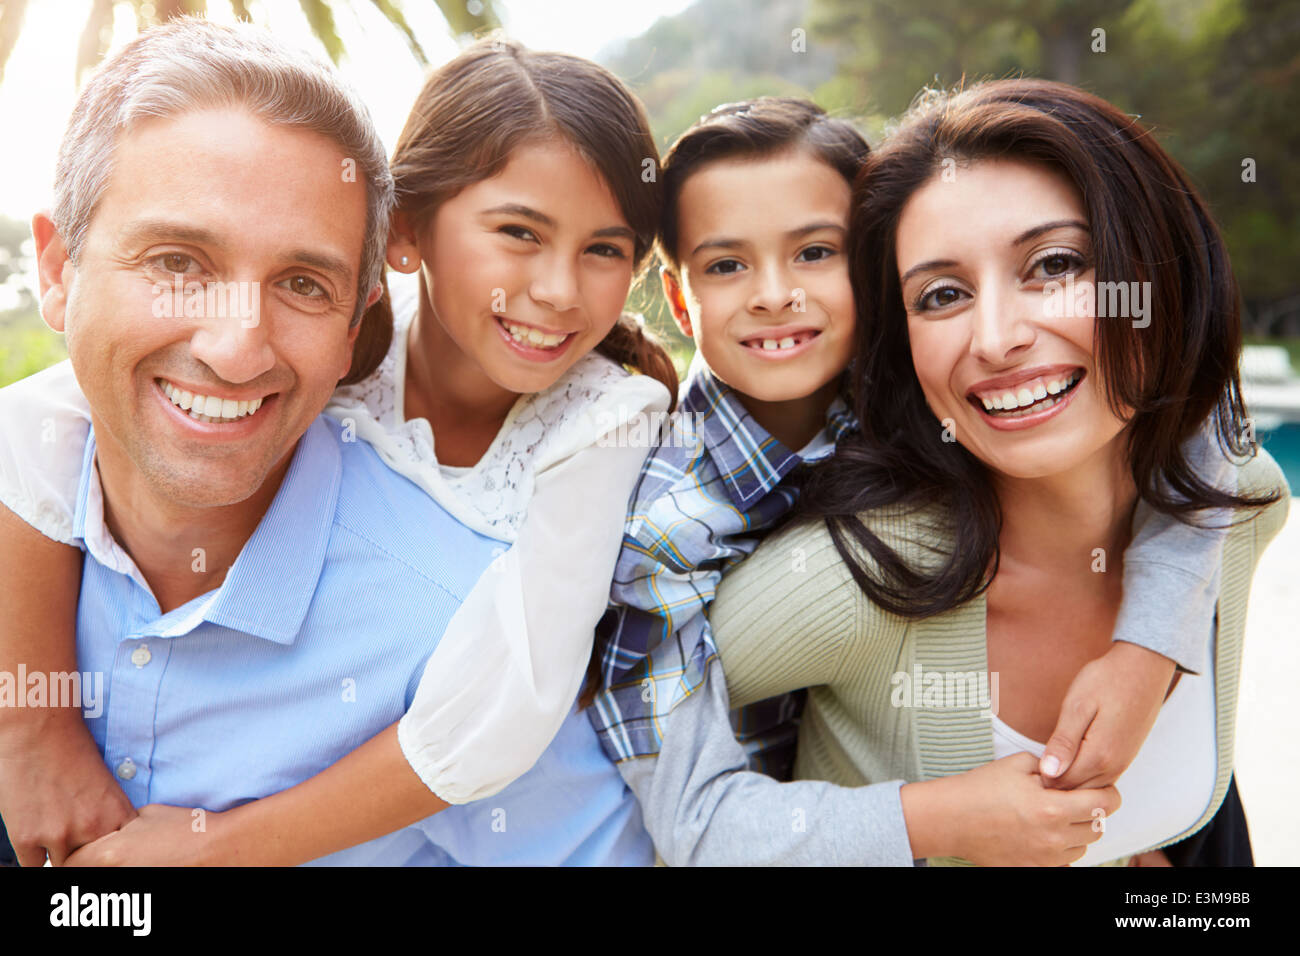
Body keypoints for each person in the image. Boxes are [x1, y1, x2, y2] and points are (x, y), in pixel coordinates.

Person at [0, 20, 670, 866]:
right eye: (177, 262)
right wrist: (31, 721)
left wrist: (227, 848)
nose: (557, 290)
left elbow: (509, 706)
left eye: (605, 250)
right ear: (406, 243)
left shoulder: (600, 426)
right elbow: (45, 413)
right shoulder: (352, 353)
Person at [656, 79, 1288, 865]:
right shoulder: (849, 580)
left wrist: (1153, 641)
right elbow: (631, 787)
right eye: (943, 294)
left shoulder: (1239, 505)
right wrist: (920, 822)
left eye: (1054, 264)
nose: (996, 339)